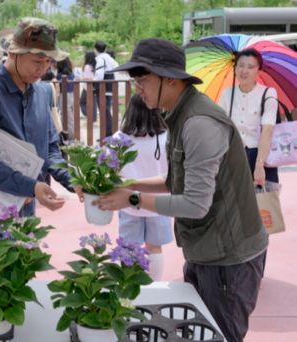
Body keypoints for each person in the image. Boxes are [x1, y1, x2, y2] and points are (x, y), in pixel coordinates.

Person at [93, 38, 268, 342]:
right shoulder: (179, 112)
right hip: (207, 248)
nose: (137, 88)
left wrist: (132, 199)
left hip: (230, 257)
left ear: (169, 78)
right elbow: (176, 181)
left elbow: (195, 204)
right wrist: (127, 184)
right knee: (198, 332)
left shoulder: (199, 122)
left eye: (142, 79)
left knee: (220, 335)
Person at [0, 17, 84, 217]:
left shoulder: (41, 92)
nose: (42, 70)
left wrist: (73, 180)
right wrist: (32, 187)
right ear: (14, 53)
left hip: (26, 203)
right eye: (37, 61)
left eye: (48, 62)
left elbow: (49, 148)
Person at [115, 93, 171, 281]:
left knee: (128, 248)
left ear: (130, 111)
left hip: (128, 203)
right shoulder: (167, 137)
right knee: (155, 247)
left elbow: (110, 172)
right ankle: (155, 286)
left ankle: (126, 285)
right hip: (159, 203)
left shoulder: (119, 138)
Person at [218, 48, 279, 188]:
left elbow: (267, 130)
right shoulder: (227, 94)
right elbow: (220, 129)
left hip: (262, 154)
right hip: (234, 155)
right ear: (235, 69)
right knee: (236, 203)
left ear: (258, 71)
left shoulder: (268, 93)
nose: (244, 71)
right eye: (241, 66)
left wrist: (259, 164)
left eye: (250, 67)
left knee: (264, 204)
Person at [94, 40, 119, 137]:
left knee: (105, 112)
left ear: (95, 50)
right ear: (105, 49)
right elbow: (116, 66)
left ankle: (108, 134)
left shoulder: (101, 59)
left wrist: (93, 79)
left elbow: (99, 76)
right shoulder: (109, 58)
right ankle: (108, 133)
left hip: (103, 89)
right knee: (106, 111)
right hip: (110, 87)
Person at [56, 57, 75, 134]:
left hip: (64, 96)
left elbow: (57, 86)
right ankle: (70, 135)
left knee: (66, 118)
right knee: (69, 117)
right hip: (71, 95)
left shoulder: (60, 75)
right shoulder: (71, 74)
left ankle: (69, 137)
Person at [80, 50, 97, 122]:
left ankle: (90, 115)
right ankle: (93, 118)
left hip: (87, 87)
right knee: (93, 102)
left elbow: (88, 78)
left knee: (82, 102)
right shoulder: (95, 65)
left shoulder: (87, 66)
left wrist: (80, 79)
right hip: (94, 86)